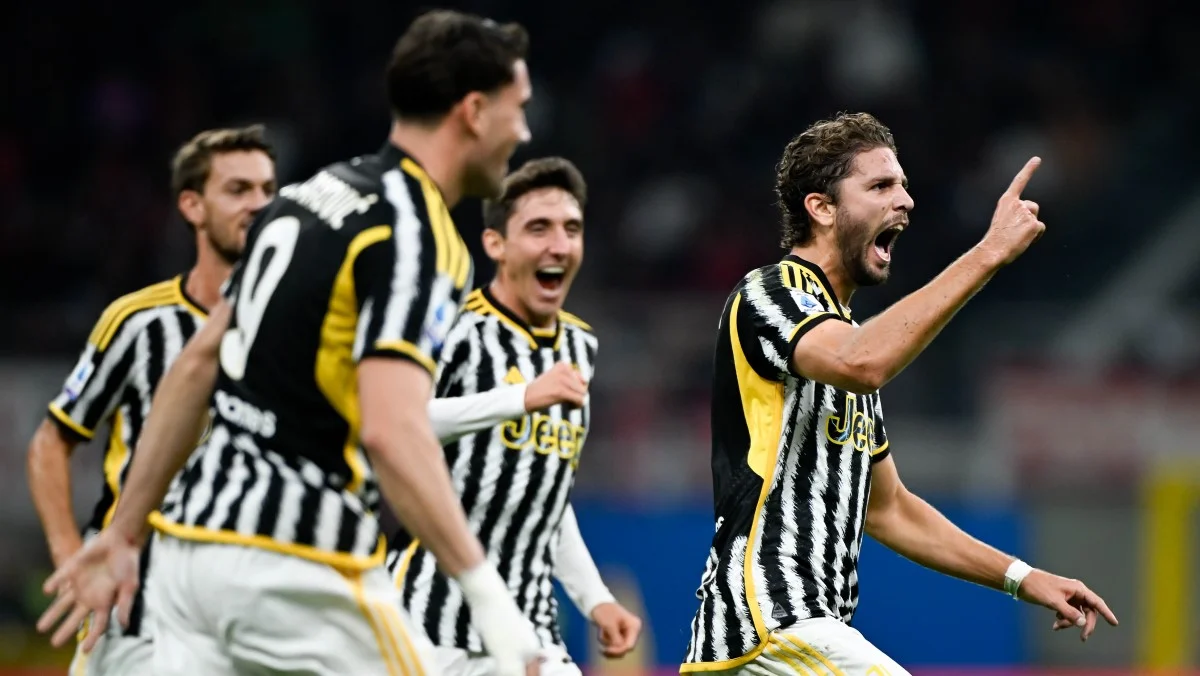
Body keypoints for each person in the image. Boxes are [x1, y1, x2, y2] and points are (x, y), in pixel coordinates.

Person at [38, 10, 543, 676]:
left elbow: (196, 363)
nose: (525, 131)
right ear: (473, 111)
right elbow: (394, 431)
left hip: (190, 559)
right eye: (518, 107)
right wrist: (488, 597)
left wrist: (125, 531)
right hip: (298, 567)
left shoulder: (307, 197)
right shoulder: (417, 237)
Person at [680, 112, 1119, 675]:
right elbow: (863, 362)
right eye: (881, 185)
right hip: (770, 618)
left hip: (790, 636)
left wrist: (1024, 577)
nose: (906, 200)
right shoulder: (770, 294)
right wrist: (988, 252)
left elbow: (890, 509)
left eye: (904, 185)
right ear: (821, 208)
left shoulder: (845, 340)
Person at [26, 125, 276, 674]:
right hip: (135, 607)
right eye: (238, 189)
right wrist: (71, 560)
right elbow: (52, 441)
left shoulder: (296, 327)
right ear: (192, 206)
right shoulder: (139, 321)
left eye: (267, 189)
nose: (259, 204)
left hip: (247, 607)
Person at [388, 157, 642, 675]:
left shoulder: (579, 345)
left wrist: (595, 598)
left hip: (530, 627)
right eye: (538, 228)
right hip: (431, 625)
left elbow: (545, 491)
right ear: (495, 244)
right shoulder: (456, 328)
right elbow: (398, 422)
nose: (559, 245)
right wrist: (518, 398)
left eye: (571, 229)